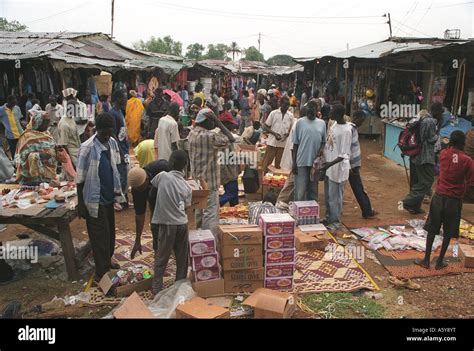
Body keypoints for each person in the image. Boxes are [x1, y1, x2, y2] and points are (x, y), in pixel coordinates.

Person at [415, 131, 474, 270]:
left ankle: (426, 260)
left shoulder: (443, 154)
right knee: (448, 231)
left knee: (432, 229)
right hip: (454, 199)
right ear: (463, 143)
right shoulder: (467, 160)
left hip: (439, 196)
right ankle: (440, 261)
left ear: (450, 141)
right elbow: (471, 181)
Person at [76, 113, 123, 282]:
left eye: (110, 132)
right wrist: (81, 203)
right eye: (104, 132)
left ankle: (107, 262)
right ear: (98, 129)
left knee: (109, 233)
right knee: (99, 237)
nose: (107, 135)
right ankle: (100, 273)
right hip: (93, 200)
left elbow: (114, 169)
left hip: (109, 197)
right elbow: (79, 178)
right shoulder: (87, 147)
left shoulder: (112, 143)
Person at [188, 108, 235, 236]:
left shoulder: (192, 133)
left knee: (199, 210)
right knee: (210, 214)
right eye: (212, 122)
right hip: (209, 182)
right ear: (207, 121)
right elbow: (231, 138)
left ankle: (198, 237)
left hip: (196, 182)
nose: (213, 125)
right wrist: (218, 122)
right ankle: (209, 242)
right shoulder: (210, 137)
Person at [151, 150, 192, 294]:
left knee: (162, 257)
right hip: (182, 223)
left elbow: (153, 187)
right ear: (185, 165)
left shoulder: (162, 177)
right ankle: (179, 288)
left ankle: (156, 289)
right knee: (182, 258)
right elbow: (186, 206)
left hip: (167, 224)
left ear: (171, 163)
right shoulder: (187, 186)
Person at [402, 103, 443, 214]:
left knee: (416, 182)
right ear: (436, 111)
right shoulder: (430, 121)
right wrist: (438, 136)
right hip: (424, 156)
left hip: (415, 154)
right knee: (427, 181)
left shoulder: (421, 118)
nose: (441, 115)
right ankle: (408, 202)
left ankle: (414, 207)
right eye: (441, 112)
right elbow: (430, 139)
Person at [128, 160, 170, 259]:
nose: (140, 192)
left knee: (171, 225)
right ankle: (157, 250)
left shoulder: (162, 167)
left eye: (142, 188)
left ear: (147, 179)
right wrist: (137, 240)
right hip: (154, 199)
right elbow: (140, 215)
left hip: (169, 196)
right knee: (155, 224)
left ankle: (173, 247)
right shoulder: (137, 189)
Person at [320, 104, 352, 225]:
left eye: (332, 112)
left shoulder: (346, 131)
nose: (330, 114)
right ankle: (329, 217)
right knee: (328, 196)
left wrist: (328, 165)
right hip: (329, 167)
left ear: (339, 114)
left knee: (335, 198)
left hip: (338, 169)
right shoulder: (334, 124)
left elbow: (343, 154)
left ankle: (335, 221)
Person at [293, 101, 326, 201]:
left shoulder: (322, 123)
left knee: (313, 190)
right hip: (301, 162)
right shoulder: (300, 122)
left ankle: (310, 214)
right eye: (308, 112)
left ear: (317, 112)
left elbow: (324, 142)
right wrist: (294, 163)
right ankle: (298, 213)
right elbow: (295, 144)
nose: (309, 114)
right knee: (300, 191)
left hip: (315, 164)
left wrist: (320, 151)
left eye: (312, 112)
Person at [348, 111, 378, 219]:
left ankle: (367, 210)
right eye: (361, 120)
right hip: (351, 166)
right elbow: (346, 148)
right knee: (358, 188)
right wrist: (349, 165)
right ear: (356, 117)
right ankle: (367, 211)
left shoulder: (353, 129)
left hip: (353, 165)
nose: (362, 123)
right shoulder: (350, 129)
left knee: (358, 188)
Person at [15, 111, 58, 185]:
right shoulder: (26, 137)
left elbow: (51, 147)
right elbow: (19, 157)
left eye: (48, 121)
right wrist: (39, 156)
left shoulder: (47, 134)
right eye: (46, 122)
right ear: (39, 122)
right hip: (31, 179)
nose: (49, 124)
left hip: (47, 176)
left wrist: (56, 150)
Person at [110, 89, 130, 210]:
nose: (126, 100)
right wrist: (121, 152)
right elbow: (113, 135)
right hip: (120, 150)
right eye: (124, 97)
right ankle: (118, 200)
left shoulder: (119, 111)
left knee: (125, 175)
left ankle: (124, 198)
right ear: (118, 99)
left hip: (124, 148)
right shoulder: (113, 113)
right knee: (121, 175)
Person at [262, 96, 293, 172]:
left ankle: (274, 181)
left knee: (278, 165)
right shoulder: (274, 113)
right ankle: (263, 179)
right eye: (285, 105)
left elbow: (291, 129)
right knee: (267, 163)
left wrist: (287, 134)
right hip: (272, 142)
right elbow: (265, 126)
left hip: (282, 144)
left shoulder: (290, 116)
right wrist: (274, 134)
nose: (286, 107)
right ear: (280, 104)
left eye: (287, 105)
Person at [219, 117, 240, 207]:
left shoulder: (225, 136)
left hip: (230, 170)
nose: (233, 126)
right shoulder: (223, 138)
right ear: (225, 124)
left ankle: (235, 211)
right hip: (228, 172)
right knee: (231, 193)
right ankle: (214, 205)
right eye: (231, 124)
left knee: (234, 196)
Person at [58, 97, 82, 166]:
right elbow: (63, 145)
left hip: (77, 152)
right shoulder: (64, 124)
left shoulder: (71, 119)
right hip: (71, 155)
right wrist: (70, 163)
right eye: (77, 109)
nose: (78, 111)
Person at [0, 95, 24, 160]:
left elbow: (19, 120)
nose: (13, 105)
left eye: (15, 103)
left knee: (22, 150)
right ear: (8, 102)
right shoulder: (2, 109)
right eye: (12, 103)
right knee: (14, 152)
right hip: (10, 135)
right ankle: (16, 166)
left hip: (20, 133)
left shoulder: (17, 108)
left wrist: (25, 129)